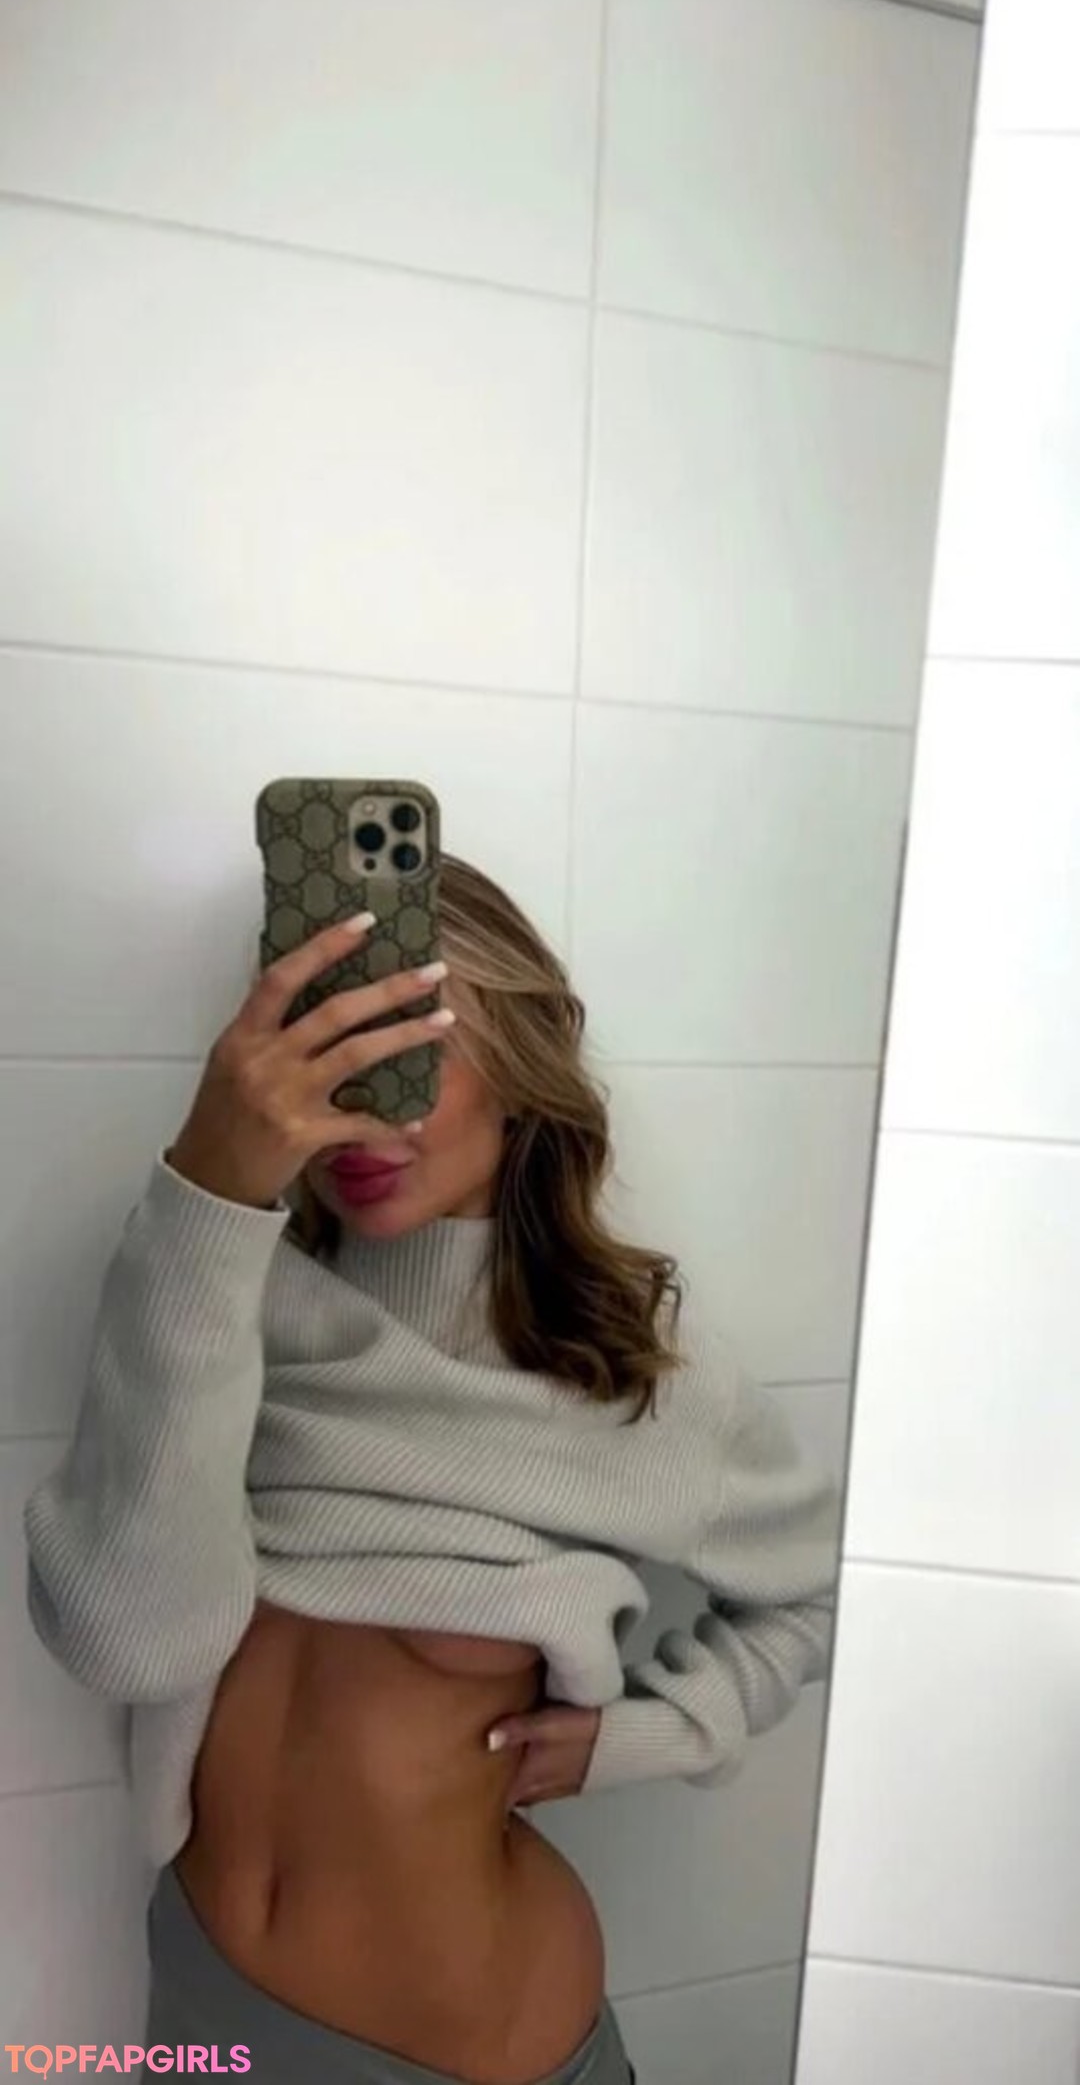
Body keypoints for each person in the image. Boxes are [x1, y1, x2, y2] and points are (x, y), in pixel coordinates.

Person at [23, 854, 840, 2085]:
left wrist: (655, 1731)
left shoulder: (626, 1376)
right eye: (328, 1051)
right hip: (197, 1996)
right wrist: (207, 1190)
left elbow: (817, 1590)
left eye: (409, 1047)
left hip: (467, 2044)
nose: (366, 1110)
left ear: (518, 1061)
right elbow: (129, 1641)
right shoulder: (204, 1298)